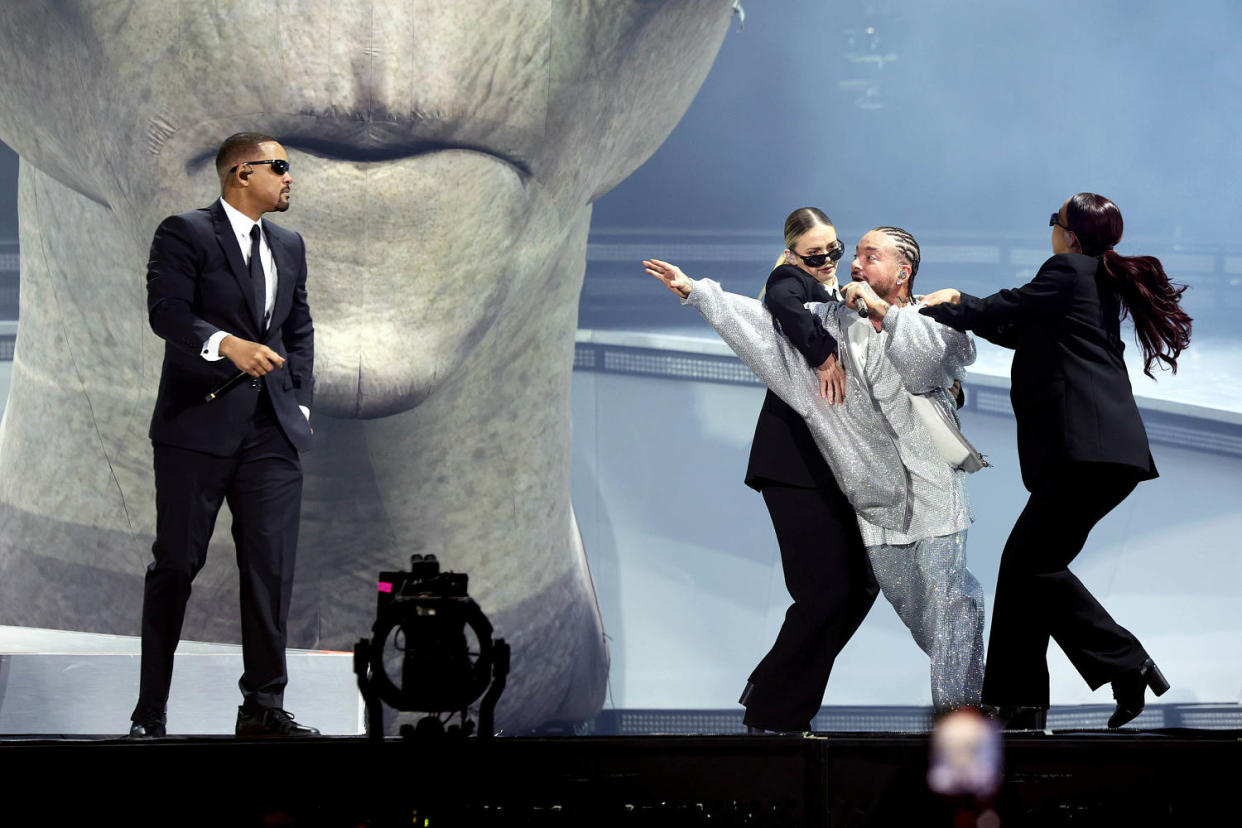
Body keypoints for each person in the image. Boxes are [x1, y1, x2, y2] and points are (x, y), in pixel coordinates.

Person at [646, 225, 986, 713]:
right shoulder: (832, 323)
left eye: (870, 256)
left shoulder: (932, 317)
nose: (855, 265)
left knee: (949, 594)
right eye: (857, 257)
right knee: (917, 611)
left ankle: (962, 714)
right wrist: (700, 294)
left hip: (935, 488)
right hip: (874, 495)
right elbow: (767, 331)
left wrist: (882, 313)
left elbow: (933, 362)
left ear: (903, 271)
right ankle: (982, 687)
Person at [920, 192, 1192, 729]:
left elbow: (1001, 309)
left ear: (1069, 234)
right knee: (1026, 570)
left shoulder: (1067, 270)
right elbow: (1013, 326)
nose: (1050, 231)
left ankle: (1123, 661)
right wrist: (962, 313)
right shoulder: (1093, 280)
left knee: (1031, 566)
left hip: (1085, 455)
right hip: (1100, 456)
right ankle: (1019, 705)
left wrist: (950, 301)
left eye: (1053, 222)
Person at [129, 133, 317, 738]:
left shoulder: (288, 245)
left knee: (270, 569)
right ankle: (150, 711)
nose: (289, 178)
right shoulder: (184, 232)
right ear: (242, 173)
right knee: (177, 565)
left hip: (272, 434)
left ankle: (262, 707)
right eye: (279, 167)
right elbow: (167, 312)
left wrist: (302, 406)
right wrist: (225, 346)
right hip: (196, 426)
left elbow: (299, 328)